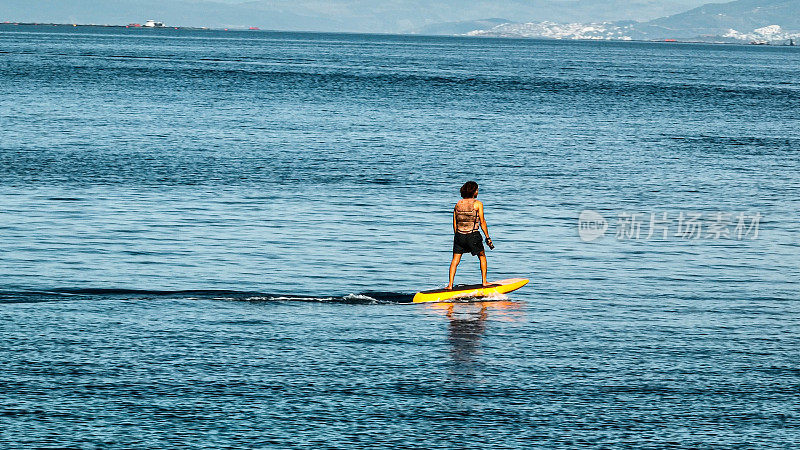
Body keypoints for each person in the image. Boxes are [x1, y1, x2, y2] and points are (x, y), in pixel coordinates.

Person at [445, 181, 493, 290]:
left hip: (459, 236)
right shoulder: (478, 204)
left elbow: (454, 222)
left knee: (455, 260)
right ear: (474, 191)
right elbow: (482, 222)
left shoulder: (458, 204)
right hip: (473, 235)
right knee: (482, 256)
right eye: (477, 190)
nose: (477, 192)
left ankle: (450, 285)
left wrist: (457, 236)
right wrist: (488, 237)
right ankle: (484, 282)